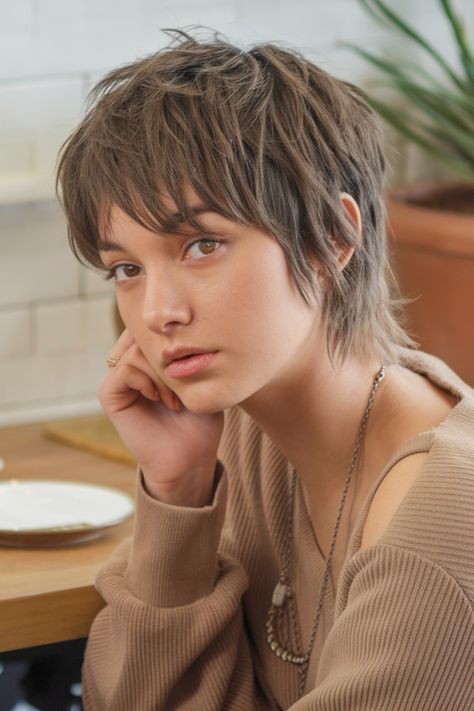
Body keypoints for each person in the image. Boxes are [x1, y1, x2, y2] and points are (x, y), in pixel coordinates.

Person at [56, 30, 474, 710]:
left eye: (201, 244)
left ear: (332, 238)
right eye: (127, 268)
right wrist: (179, 488)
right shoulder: (250, 428)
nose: (157, 311)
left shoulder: (441, 525)